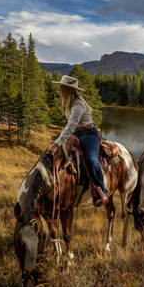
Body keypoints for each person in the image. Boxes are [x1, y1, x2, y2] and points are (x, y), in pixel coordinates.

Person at [45, 75, 108, 207]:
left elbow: (70, 126)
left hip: (88, 134)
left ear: (68, 90)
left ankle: (101, 191)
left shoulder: (78, 105)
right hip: (76, 134)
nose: (59, 91)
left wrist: (56, 144)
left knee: (91, 160)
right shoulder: (69, 103)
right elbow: (71, 127)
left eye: (61, 88)